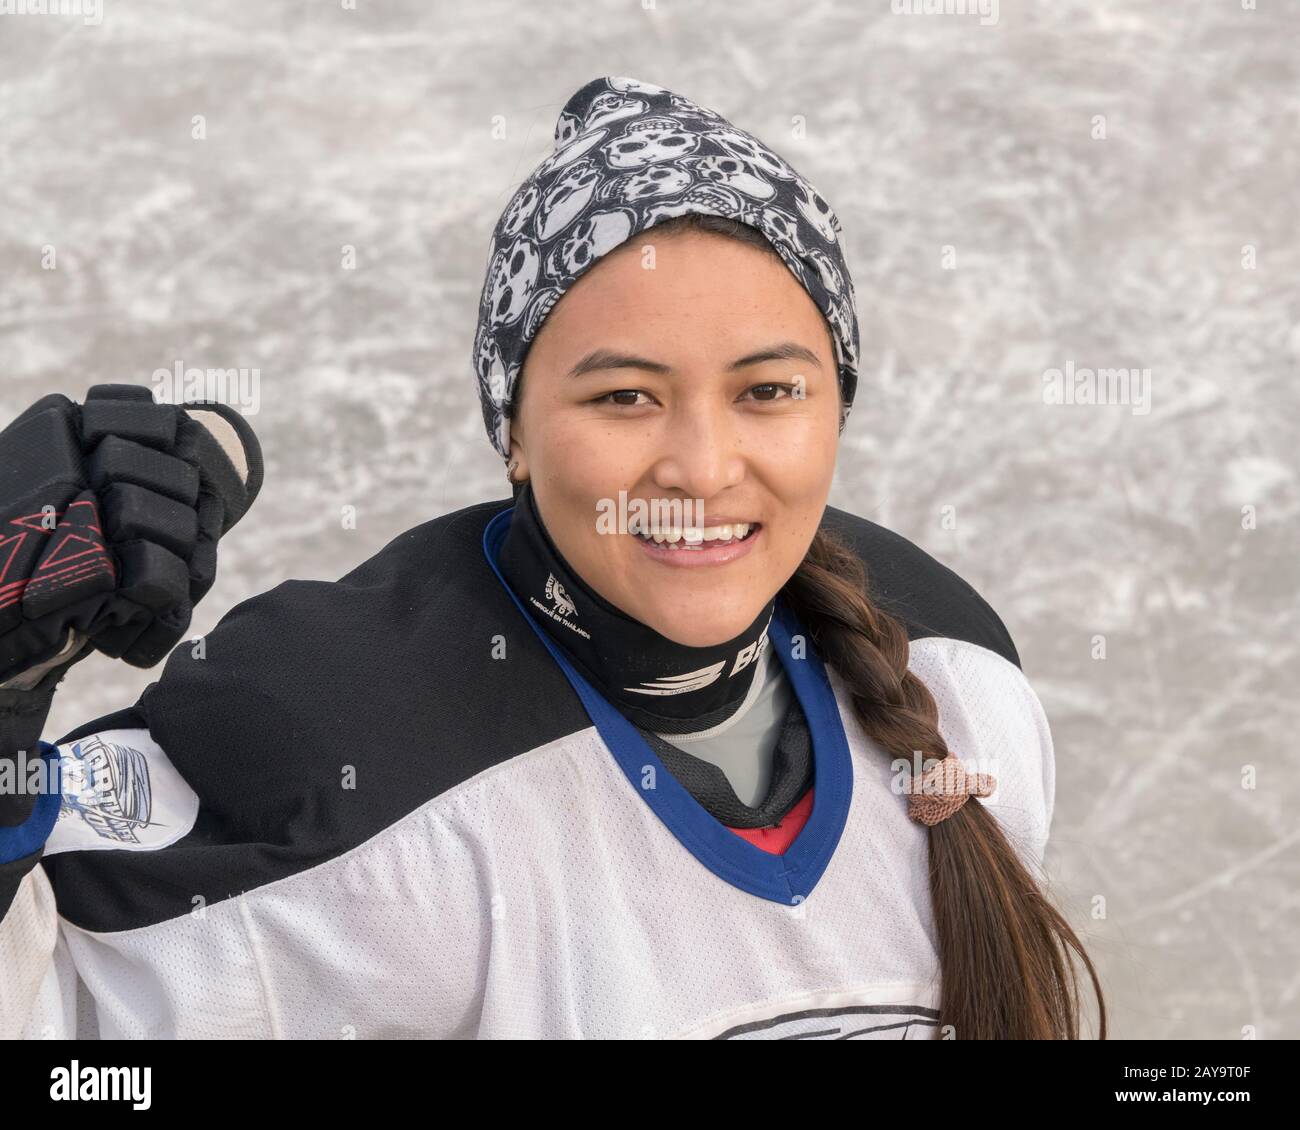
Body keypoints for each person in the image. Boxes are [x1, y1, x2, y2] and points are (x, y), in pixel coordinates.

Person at [0, 75, 1105, 1040]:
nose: (703, 465)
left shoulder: (958, 680)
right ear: (514, 431)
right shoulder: (352, 750)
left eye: (768, 390)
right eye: (624, 395)